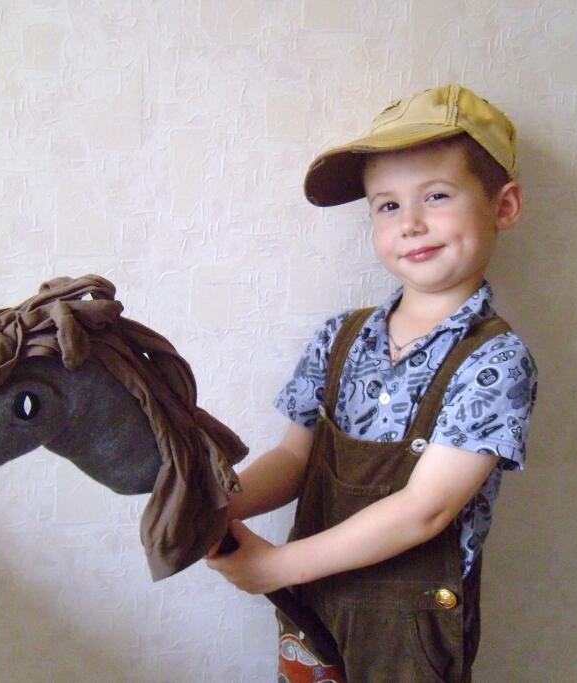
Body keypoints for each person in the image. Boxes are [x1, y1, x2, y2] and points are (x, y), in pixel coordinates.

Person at [206, 83, 539, 682]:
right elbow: (292, 458)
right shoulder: (340, 338)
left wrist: (276, 566)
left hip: (409, 629)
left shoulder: (496, 361)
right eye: (387, 206)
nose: (410, 224)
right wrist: (216, 506)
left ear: (504, 206)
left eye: (435, 196)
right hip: (313, 606)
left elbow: (425, 510)